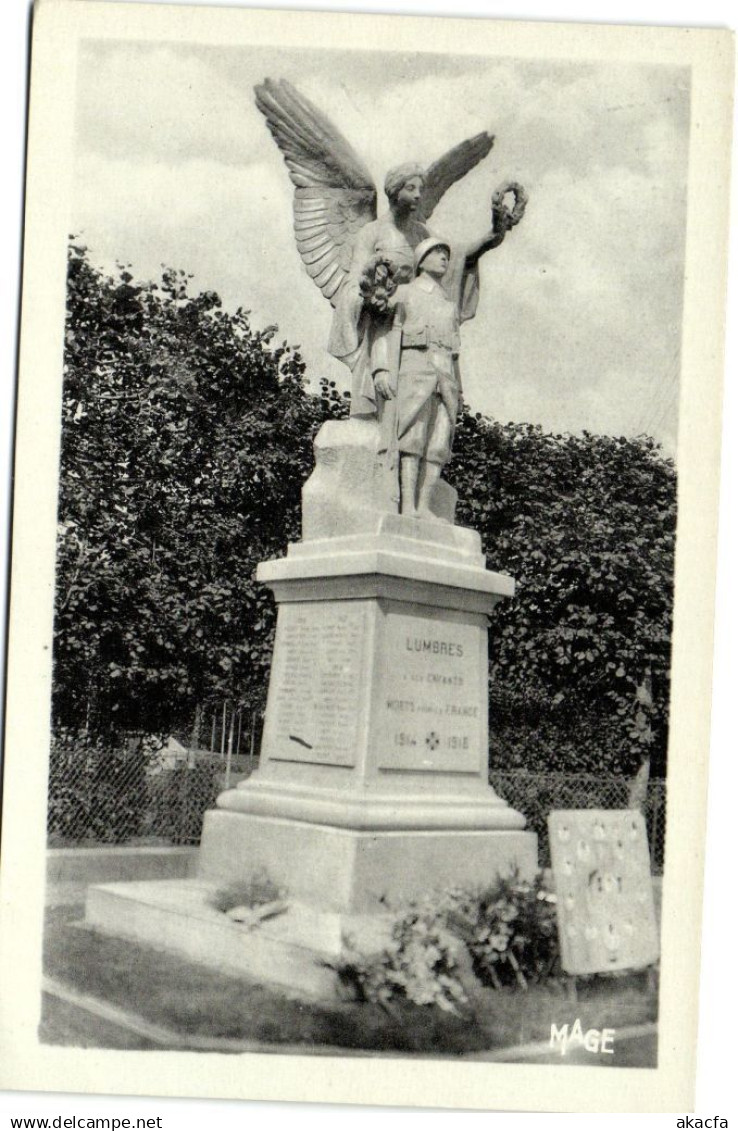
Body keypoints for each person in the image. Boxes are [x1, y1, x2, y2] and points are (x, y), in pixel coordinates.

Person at [328, 164, 493, 417]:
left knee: (415, 412)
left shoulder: (422, 232)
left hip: (415, 324)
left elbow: (458, 256)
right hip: (383, 323)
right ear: (395, 191)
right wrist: (372, 292)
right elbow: (356, 279)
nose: (418, 195)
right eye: (411, 188)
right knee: (382, 400)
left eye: (421, 189)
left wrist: (495, 233)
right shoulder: (373, 232)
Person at [370, 237, 463, 517]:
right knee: (412, 438)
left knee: (438, 445)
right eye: (437, 253)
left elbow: (455, 354)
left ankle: (425, 506)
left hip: (445, 374)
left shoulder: (448, 304)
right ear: (421, 260)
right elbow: (382, 331)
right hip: (414, 367)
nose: (444, 258)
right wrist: (381, 368)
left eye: (447, 254)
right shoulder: (404, 293)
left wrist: (460, 389)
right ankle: (407, 504)